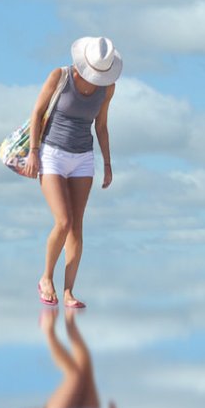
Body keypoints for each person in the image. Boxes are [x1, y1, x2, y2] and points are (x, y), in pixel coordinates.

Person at [23, 35, 121, 309]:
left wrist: (108, 164)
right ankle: (46, 278)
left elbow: (101, 125)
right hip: (52, 153)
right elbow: (37, 112)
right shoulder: (61, 76)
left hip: (83, 157)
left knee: (77, 227)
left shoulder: (108, 88)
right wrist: (33, 151)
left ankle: (68, 292)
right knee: (63, 221)